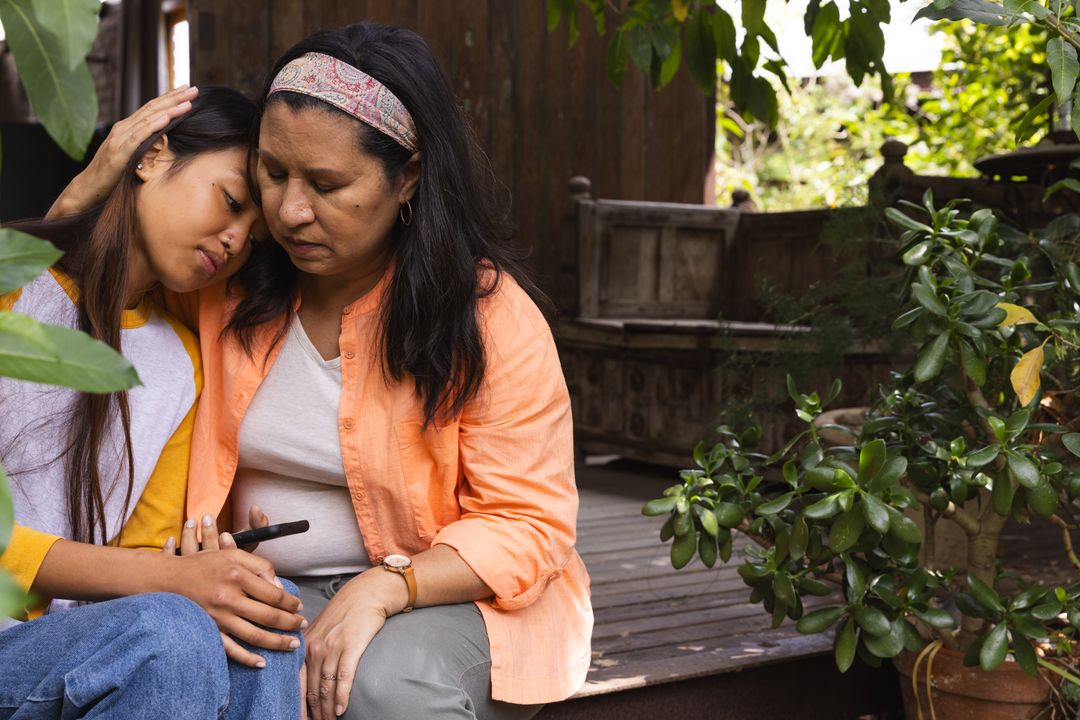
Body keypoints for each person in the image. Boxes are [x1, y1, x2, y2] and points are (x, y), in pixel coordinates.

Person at [58, 22, 593, 720]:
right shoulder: (226, 285)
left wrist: (385, 585)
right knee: (193, 668)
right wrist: (74, 209)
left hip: (455, 595)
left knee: (379, 689)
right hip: (267, 586)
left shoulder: (486, 317)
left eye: (328, 184)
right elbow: (78, 307)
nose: (288, 210)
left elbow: (530, 523)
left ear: (409, 176)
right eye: (272, 172)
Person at [0, 86, 305, 719]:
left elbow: (142, 553)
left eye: (252, 239)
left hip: (72, 644)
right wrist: (169, 583)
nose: (233, 241)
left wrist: (199, 574)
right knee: (166, 633)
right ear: (153, 155)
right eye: (230, 202)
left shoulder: (180, 365)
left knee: (266, 619)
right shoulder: (13, 296)